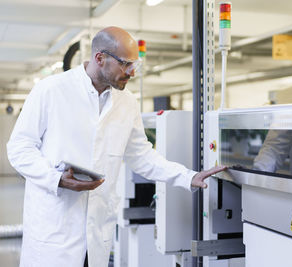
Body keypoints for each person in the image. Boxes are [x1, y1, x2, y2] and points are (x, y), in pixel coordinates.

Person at [7, 26, 226, 267]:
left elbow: (142, 156)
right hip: (54, 229)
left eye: (136, 65)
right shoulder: (51, 90)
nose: (132, 72)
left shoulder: (127, 102)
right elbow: (19, 148)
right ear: (100, 58)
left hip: (97, 231)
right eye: (126, 64)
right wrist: (56, 178)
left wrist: (188, 177)